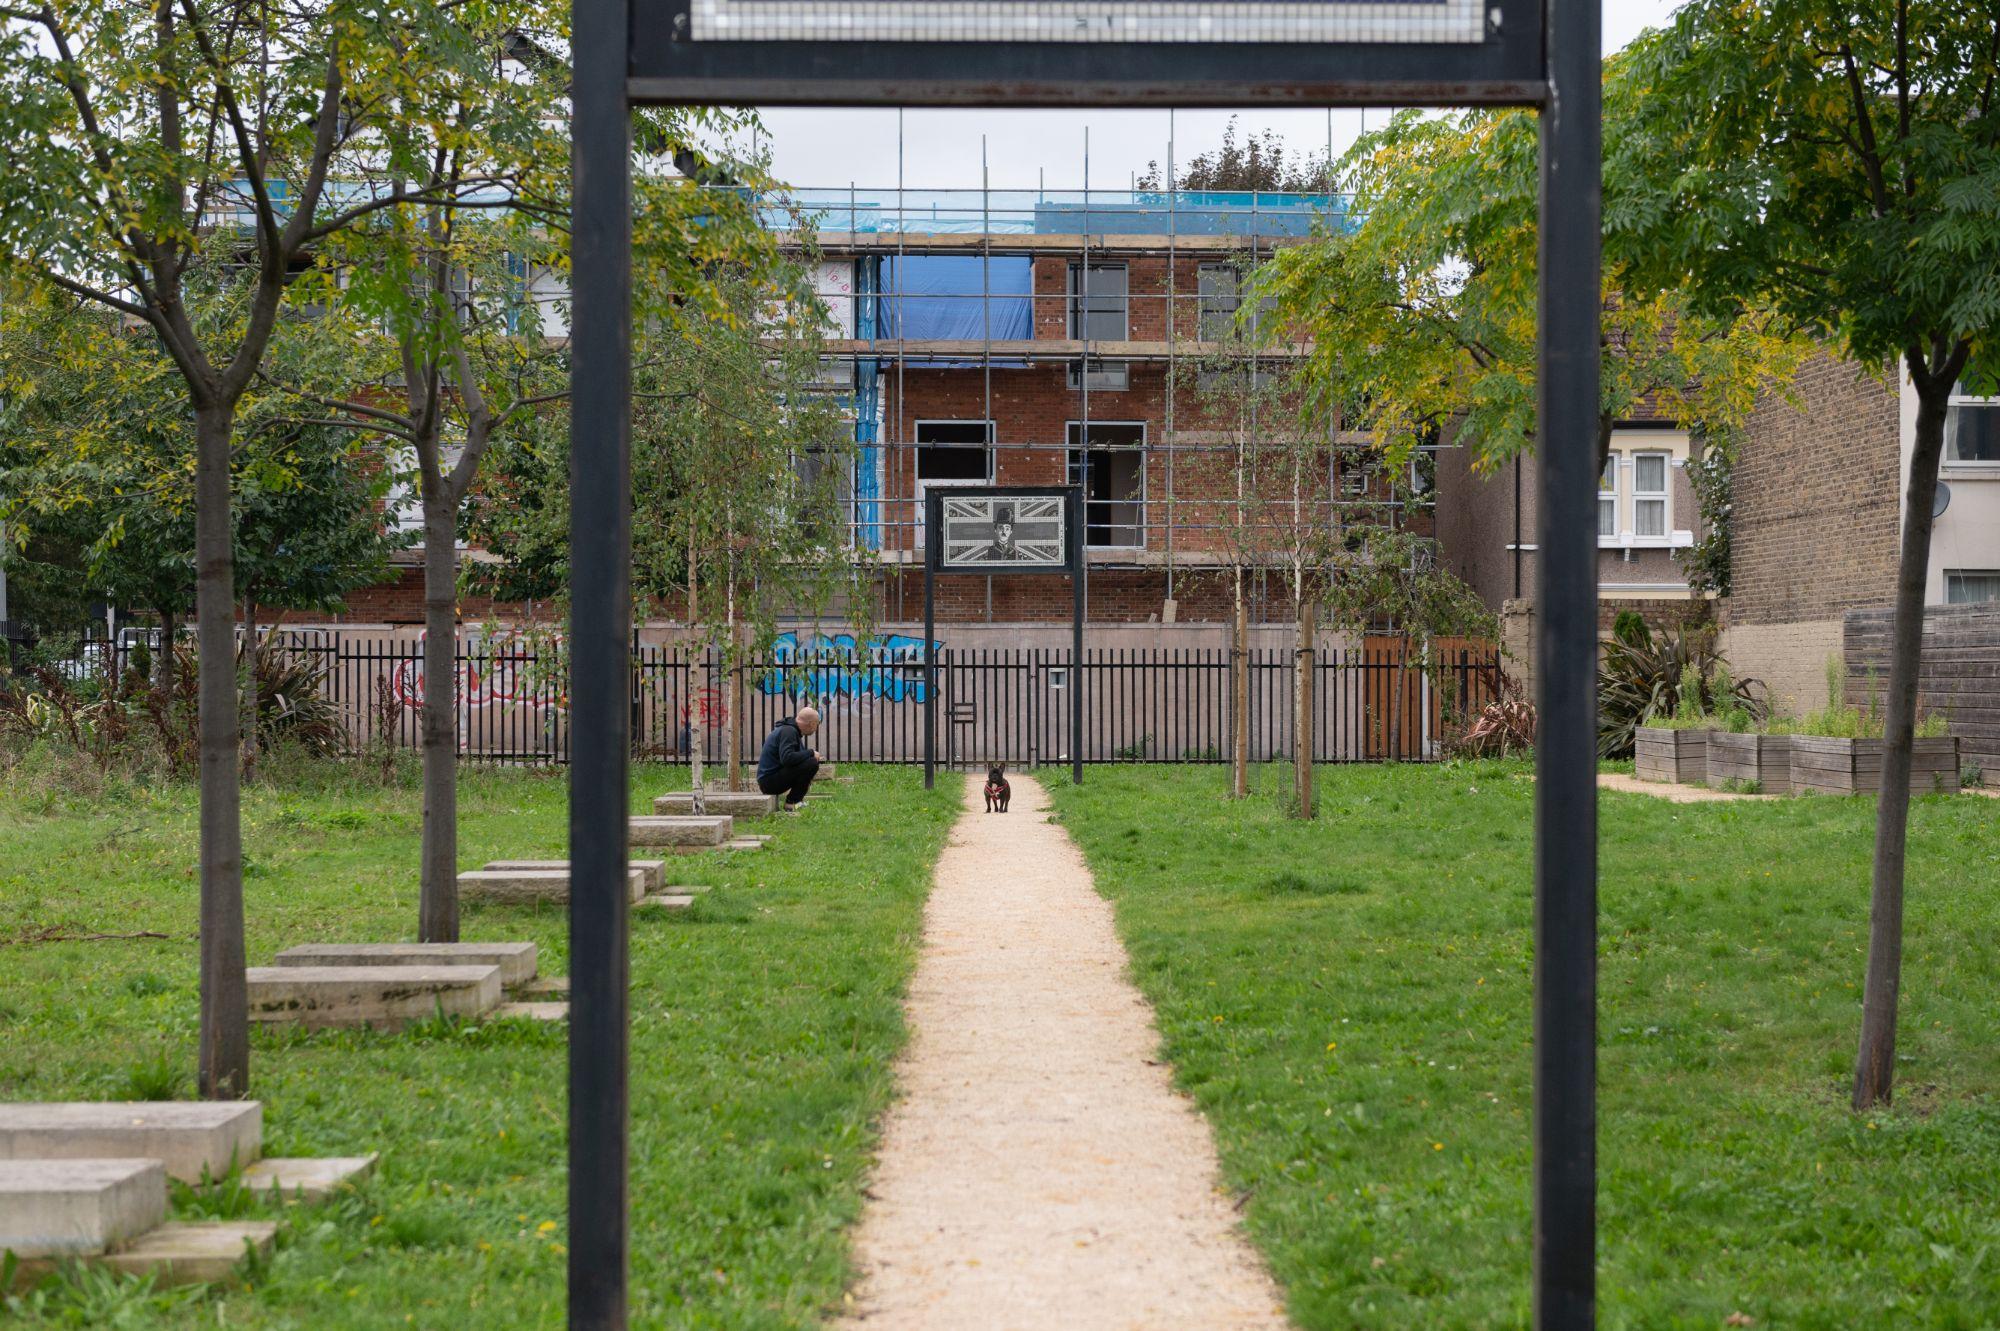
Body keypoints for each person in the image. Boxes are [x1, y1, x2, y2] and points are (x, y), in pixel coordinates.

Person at [757, 705, 822, 809]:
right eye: (817, 724)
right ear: (812, 724)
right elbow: (787, 758)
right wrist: (810, 752)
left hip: (770, 780)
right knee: (811, 763)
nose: (816, 728)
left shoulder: (790, 730)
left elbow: (794, 758)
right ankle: (792, 802)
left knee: (810, 762)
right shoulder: (789, 731)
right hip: (769, 782)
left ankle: (795, 801)